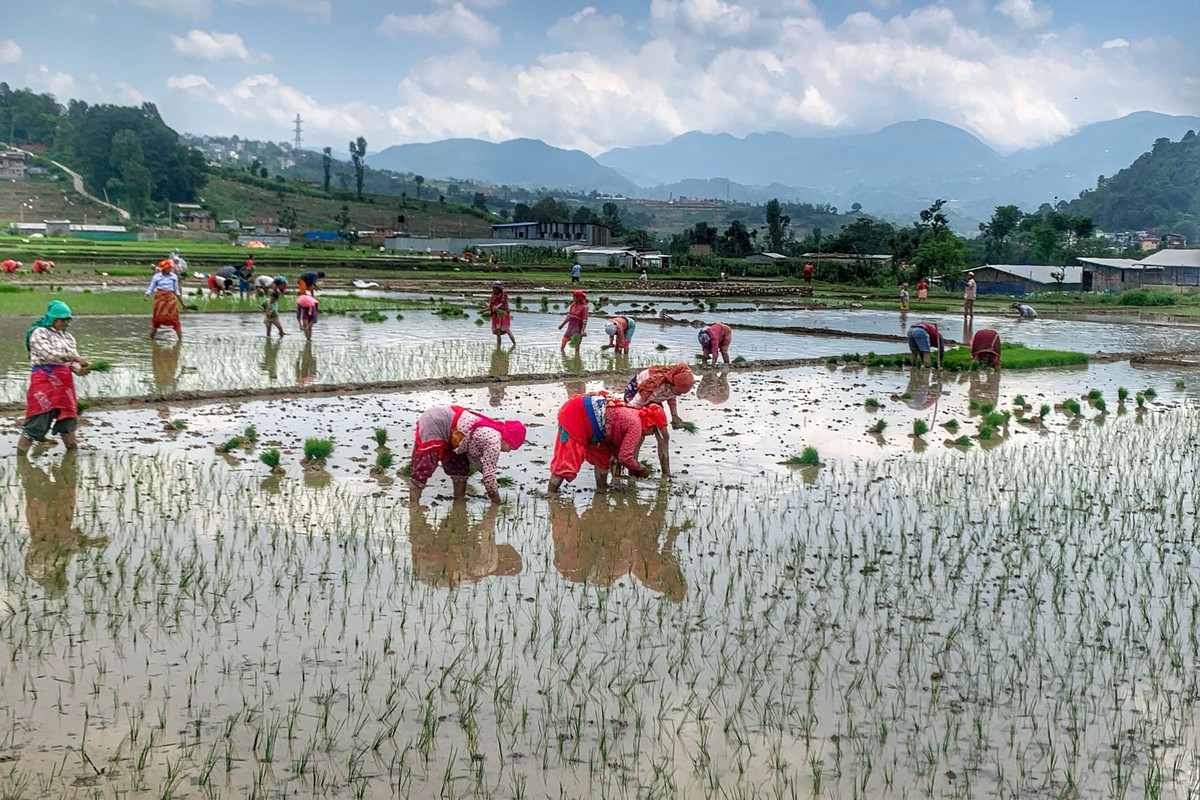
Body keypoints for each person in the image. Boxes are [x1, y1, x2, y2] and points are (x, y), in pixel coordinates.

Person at [549, 490, 687, 602]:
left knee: (626, 524)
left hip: (598, 563)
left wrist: (671, 534)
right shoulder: (651, 573)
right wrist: (672, 534)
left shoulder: (653, 574)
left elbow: (665, 550)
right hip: (606, 560)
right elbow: (665, 550)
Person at [19, 453, 108, 598]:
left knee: (50, 489)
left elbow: (61, 550)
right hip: (48, 523)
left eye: (63, 581)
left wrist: (87, 543)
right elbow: (65, 549)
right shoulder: (41, 571)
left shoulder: (42, 570)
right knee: (47, 488)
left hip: (49, 523)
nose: (65, 578)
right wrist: (87, 543)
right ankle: (46, 459)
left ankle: (36, 456)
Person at [547, 392, 670, 492]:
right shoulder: (636, 426)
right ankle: (550, 495)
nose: (651, 434)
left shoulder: (633, 413)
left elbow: (616, 444)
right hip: (577, 414)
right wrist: (640, 468)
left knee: (602, 457)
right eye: (653, 431)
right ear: (650, 424)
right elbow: (625, 457)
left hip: (596, 427)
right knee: (567, 459)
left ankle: (601, 490)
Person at [409, 405, 527, 505]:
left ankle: (459, 504)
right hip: (436, 422)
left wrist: (490, 476)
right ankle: (413, 506)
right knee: (425, 465)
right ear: (508, 440)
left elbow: (477, 461)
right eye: (511, 447)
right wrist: (496, 503)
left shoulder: (492, 433)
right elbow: (489, 475)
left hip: (454, 434)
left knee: (460, 466)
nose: (508, 451)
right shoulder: (494, 442)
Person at [18, 301, 90, 455]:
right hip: (44, 382)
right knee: (37, 422)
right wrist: (73, 357)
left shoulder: (68, 337)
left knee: (68, 420)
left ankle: (72, 459)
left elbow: (72, 363)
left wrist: (80, 369)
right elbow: (48, 355)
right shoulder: (39, 333)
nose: (64, 323)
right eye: (61, 320)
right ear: (52, 318)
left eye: (66, 320)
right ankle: (21, 458)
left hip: (64, 385)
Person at [408, 501, 522, 588]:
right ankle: (415, 510)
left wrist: (493, 510)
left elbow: (487, 530)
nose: (499, 547)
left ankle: (414, 505)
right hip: (428, 575)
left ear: (506, 560)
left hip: (438, 570)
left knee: (423, 531)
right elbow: (473, 537)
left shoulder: (490, 563)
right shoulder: (483, 571)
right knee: (423, 535)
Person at [624, 362, 695, 429]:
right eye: (678, 391)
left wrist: (674, 415)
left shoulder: (674, 385)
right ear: (672, 383)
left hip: (652, 397)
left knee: (660, 420)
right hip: (636, 392)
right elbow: (636, 403)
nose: (679, 394)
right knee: (640, 425)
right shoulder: (655, 386)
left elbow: (672, 397)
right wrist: (629, 417)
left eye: (682, 393)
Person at [144, 259, 183, 340]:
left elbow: (176, 290)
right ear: (164, 269)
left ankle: (180, 340)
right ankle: (151, 338)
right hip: (160, 299)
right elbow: (151, 287)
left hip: (170, 299)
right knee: (157, 319)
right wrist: (146, 295)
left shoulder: (173, 277)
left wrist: (182, 303)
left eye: (170, 268)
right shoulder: (157, 277)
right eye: (168, 268)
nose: (170, 269)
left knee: (174, 319)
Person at [489, 281, 516, 346]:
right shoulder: (493, 295)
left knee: (507, 330)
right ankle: (498, 347)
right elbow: (491, 305)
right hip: (496, 315)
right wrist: (484, 310)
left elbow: (502, 302)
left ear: (499, 289)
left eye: (495, 288)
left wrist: (496, 307)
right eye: (493, 288)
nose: (493, 290)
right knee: (498, 332)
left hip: (503, 314)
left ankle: (514, 344)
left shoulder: (503, 294)